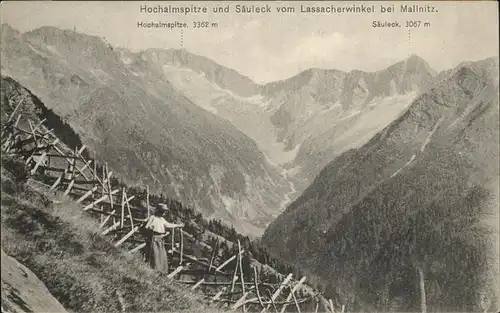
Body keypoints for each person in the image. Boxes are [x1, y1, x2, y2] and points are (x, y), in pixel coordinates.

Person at [143, 203, 184, 273]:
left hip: (160, 239)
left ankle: (161, 272)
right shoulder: (153, 217)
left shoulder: (162, 219)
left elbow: (168, 225)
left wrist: (178, 225)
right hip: (154, 238)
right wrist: (150, 228)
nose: (164, 213)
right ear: (159, 211)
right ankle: (153, 271)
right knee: (155, 255)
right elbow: (146, 227)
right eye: (163, 211)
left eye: (164, 211)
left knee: (161, 256)